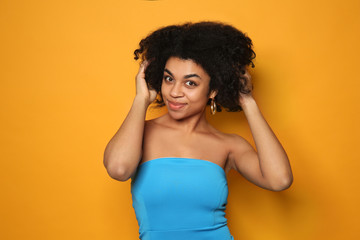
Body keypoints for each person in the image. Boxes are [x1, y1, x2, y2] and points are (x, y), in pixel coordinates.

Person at [103, 21, 293, 240]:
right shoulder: (138, 135)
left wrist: (247, 101)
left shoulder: (229, 145)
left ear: (213, 90)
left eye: (190, 83)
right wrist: (141, 100)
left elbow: (279, 180)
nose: (174, 92)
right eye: (169, 78)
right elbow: (118, 169)